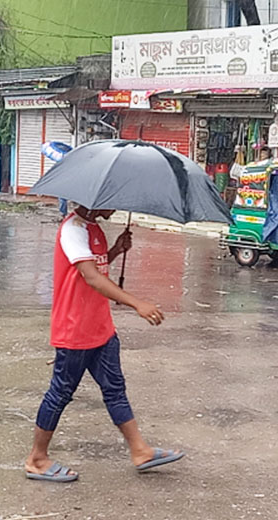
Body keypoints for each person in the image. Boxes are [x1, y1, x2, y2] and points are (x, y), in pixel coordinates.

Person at [24, 205, 184, 482]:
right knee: (60, 392)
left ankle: (140, 450)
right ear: (93, 199)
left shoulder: (94, 229)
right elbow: (91, 277)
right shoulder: (72, 229)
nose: (116, 207)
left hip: (101, 327)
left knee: (115, 389)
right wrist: (137, 303)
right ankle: (37, 458)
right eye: (111, 201)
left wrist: (116, 251)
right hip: (75, 329)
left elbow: (94, 268)